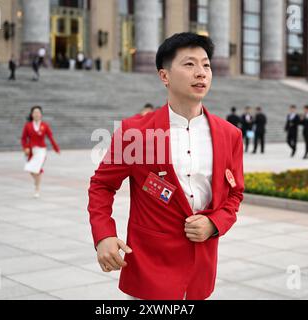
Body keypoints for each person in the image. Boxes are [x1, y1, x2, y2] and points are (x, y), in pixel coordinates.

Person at [88, 32, 244, 300]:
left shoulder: (230, 134)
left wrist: (214, 223)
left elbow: (235, 194)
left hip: (200, 272)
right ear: (164, 76)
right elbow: (102, 185)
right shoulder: (134, 132)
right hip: (149, 272)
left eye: (206, 65)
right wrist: (104, 236)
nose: (201, 73)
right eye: (189, 64)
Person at [21, 106, 60, 198]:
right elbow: (23, 139)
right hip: (31, 151)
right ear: (32, 114)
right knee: (29, 168)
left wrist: (56, 148)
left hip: (41, 151)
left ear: (41, 114)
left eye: (38, 112)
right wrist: (25, 148)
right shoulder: (28, 125)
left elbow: (50, 137)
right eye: (34, 112)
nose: (36, 114)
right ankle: (37, 182)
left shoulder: (44, 125)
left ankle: (37, 188)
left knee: (37, 170)